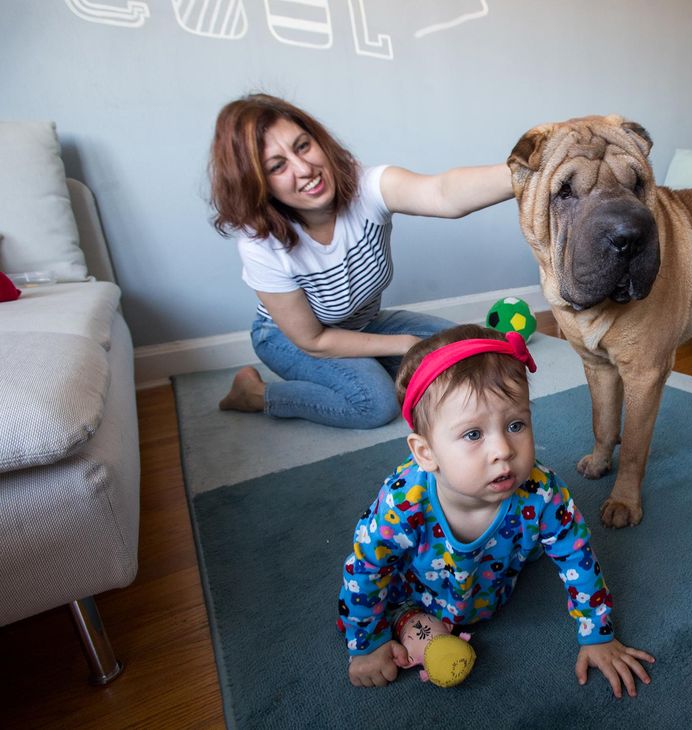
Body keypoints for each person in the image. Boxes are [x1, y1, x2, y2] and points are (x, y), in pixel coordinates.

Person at [337, 324, 655, 696]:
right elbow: (364, 572)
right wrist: (367, 644)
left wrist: (598, 635)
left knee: (556, 530)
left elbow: (579, 558)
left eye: (515, 424)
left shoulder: (541, 492)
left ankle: (531, 541)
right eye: (473, 434)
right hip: (417, 592)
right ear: (426, 453)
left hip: (494, 586)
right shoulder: (401, 504)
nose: (503, 449)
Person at [208, 93, 513, 428]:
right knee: (374, 404)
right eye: (277, 166)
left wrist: (528, 173)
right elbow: (315, 341)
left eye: (303, 146)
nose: (305, 169)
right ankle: (255, 394)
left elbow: (442, 193)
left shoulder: (366, 187)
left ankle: (374, 362)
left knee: (474, 349)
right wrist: (408, 345)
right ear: (258, 183)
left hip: (361, 323)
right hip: (291, 339)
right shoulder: (261, 244)